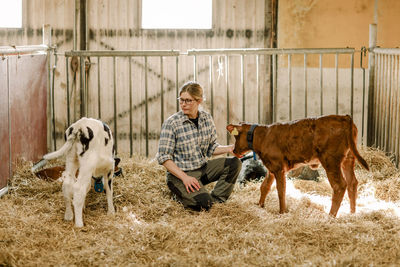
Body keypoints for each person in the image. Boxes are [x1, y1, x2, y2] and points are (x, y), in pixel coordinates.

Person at [156, 81, 242, 211]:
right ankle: (186, 194)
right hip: (179, 175)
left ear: (199, 101)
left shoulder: (206, 119)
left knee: (234, 163)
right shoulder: (172, 123)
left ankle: (216, 201)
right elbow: (163, 158)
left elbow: (211, 148)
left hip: (202, 169)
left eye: (188, 101)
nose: (183, 104)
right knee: (204, 205)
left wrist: (230, 148)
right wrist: (185, 178)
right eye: (181, 100)